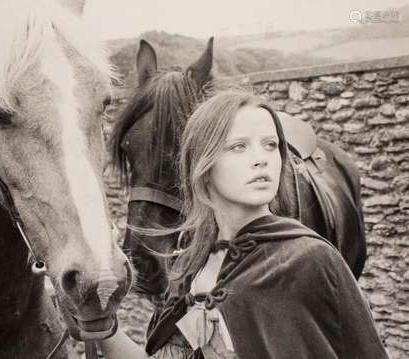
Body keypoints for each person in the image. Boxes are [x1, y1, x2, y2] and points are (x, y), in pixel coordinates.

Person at [99, 90, 388, 358]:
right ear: (203, 167)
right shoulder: (191, 269)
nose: (261, 159)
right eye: (239, 147)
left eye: (271, 145)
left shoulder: (312, 261)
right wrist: (103, 326)